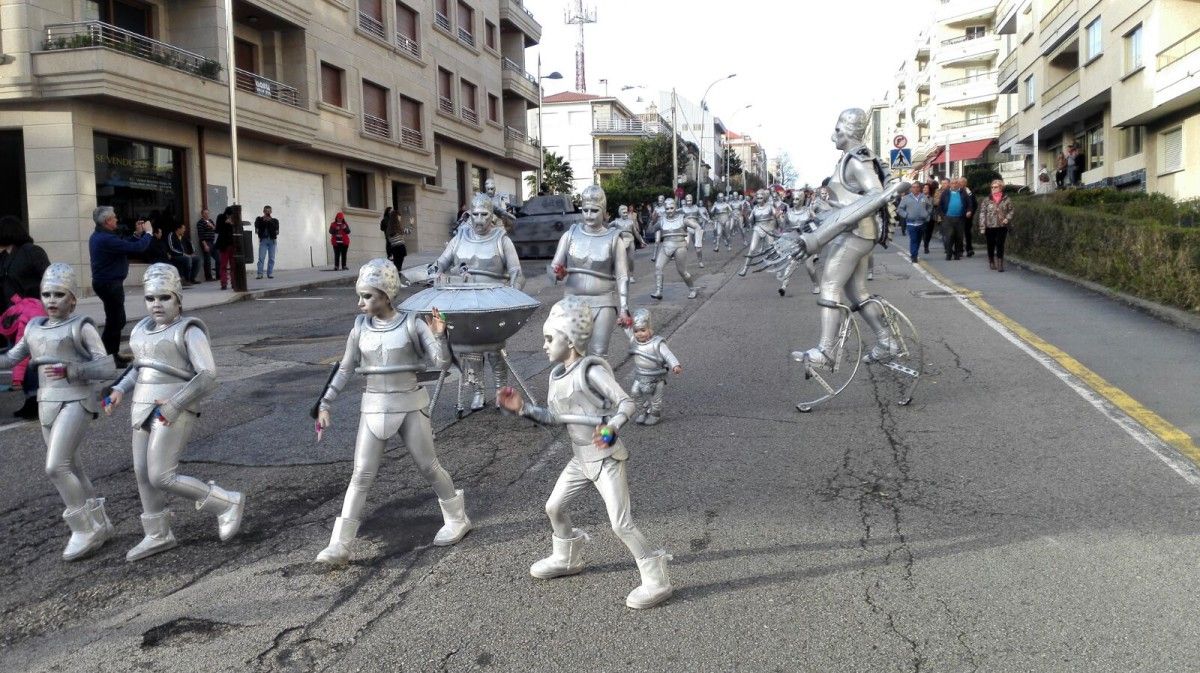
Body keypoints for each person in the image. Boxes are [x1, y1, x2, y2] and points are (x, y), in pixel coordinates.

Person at [496, 296, 673, 610]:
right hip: (580, 459)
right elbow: (555, 418)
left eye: (550, 338)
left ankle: (656, 579)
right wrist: (522, 409)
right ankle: (566, 557)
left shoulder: (591, 372)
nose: (545, 345)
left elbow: (626, 403)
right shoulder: (556, 376)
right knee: (554, 507)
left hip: (605, 459)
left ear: (571, 340)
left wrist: (612, 428)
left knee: (621, 524)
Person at [313, 259, 469, 566]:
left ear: (387, 294)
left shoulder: (413, 323)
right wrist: (325, 402)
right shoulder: (359, 328)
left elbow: (441, 363)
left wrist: (438, 334)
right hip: (373, 406)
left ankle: (457, 517)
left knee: (428, 466)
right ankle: (340, 544)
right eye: (360, 295)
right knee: (360, 475)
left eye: (368, 296)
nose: (361, 302)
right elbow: (344, 368)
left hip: (410, 403)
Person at [106, 264, 245, 562]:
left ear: (178, 298)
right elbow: (139, 368)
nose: (156, 304)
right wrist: (119, 389)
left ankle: (225, 502)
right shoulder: (141, 330)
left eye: (164, 298)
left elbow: (207, 374)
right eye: (150, 298)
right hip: (142, 407)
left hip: (173, 407)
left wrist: (175, 404)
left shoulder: (189, 330)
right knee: (143, 473)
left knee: (161, 475)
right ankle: (157, 534)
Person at [0, 263, 116, 560]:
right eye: (47, 294)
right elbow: (12, 358)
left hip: (76, 400)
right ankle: (100, 523)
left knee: (55, 467)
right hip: (46, 403)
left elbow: (105, 365)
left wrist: (73, 369)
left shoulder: (82, 326)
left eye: (59, 294)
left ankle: (83, 528)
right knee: (72, 467)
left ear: (72, 299)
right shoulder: (34, 328)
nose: (52, 300)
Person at [791, 108, 906, 367]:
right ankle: (886, 341)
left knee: (830, 285)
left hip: (855, 232)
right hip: (859, 232)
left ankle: (826, 351)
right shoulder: (851, 159)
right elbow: (848, 198)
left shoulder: (856, 160)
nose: (834, 136)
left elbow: (876, 195)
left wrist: (828, 227)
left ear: (850, 130)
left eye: (838, 129)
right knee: (857, 293)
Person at [427, 192, 524, 411]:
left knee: (495, 350)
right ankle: (478, 391)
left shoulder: (502, 239)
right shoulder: (459, 238)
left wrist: (514, 294)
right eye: (475, 214)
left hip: (494, 300)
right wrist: (435, 272)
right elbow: (441, 262)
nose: (479, 219)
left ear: (492, 215)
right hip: (464, 300)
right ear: (469, 214)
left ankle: (501, 391)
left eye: (484, 214)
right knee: (471, 350)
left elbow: (516, 270)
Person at [549, 185, 632, 357]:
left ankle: (596, 383)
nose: (588, 215)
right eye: (585, 210)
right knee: (573, 353)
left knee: (598, 353)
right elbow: (553, 268)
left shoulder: (614, 239)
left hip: (603, 302)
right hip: (572, 302)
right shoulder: (570, 235)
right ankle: (577, 384)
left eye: (594, 211)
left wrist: (624, 308)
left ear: (604, 211)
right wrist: (557, 273)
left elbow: (623, 276)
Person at [0, 215, 51, 418]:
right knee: (21, 357)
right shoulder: (5, 257)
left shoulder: (31, 252)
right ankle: (31, 398)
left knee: (31, 359)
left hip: (33, 312)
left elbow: (49, 277)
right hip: (14, 317)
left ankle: (37, 399)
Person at [89, 206, 152, 363]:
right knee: (116, 321)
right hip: (109, 284)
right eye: (114, 217)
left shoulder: (103, 236)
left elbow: (123, 246)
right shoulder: (105, 239)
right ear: (107, 221)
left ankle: (112, 355)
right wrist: (148, 234)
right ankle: (107, 356)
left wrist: (137, 235)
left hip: (107, 283)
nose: (117, 219)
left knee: (115, 320)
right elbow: (136, 248)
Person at [623, 308, 682, 426]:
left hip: (656, 376)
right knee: (635, 392)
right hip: (640, 375)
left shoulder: (657, 343)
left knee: (656, 397)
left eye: (643, 330)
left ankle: (655, 414)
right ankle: (642, 411)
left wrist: (675, 364)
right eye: (636, 331)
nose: (639, 333)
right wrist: (624, 324)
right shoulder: (634, 341)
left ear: (650, 329)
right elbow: (627, 330)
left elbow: (668, 354)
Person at [646, 197, 700, 301]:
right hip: (666, 246)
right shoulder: (661, 221)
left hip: (680, 246)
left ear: (676, 208)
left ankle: (692, 289)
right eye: (667, 209)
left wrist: (697, 242)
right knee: (658, 267)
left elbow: (697, 227)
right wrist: (652, 220)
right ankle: (658, 291)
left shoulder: (682, 218)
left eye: (671, 208)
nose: (669, 211)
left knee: (682, 271)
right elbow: (651, 230)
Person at [977, 179, 1015, 272]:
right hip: (990, 226)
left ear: (1001, 188)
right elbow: (982, 213)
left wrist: (1007, 218)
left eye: (995, 187)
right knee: (991, 244)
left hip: (1002, 225)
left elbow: (1011, 210)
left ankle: (1000, 264)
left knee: (1000, 244)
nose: (993, 188)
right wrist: (982, 226)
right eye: (992, 187)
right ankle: (991, 261)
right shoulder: (986, 200)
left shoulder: (1006, 199)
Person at [937, 177, 974, 260]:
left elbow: (969, 204)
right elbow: (940, 206)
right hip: (948, 218)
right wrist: (943, 216)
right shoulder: (945, 193)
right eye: (952, 183)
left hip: (960, 218)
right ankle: (949, 254)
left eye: (956, 183)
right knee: (949, 236)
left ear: (958, 184)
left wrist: (969, 211)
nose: (954, 185)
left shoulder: (963, 192)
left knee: (959, 237)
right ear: (950, 184)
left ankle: (957, 254)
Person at [896, 181, 932, 263]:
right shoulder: (906, 198)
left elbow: (929, 207)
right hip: (911, 223)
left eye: (917, 187)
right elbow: (900, 209)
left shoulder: (924, 197)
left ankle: (915, 253)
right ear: (911, 189)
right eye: (913, 187)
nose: (915, 189)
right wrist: (906, 215)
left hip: (921, 223)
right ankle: (914, 256)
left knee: (918, 240)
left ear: (920, 188)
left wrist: (927, 215)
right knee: (913, 239)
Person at [381, 207, 411, 276]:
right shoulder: (398, 227)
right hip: (400, 247)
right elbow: (408, 231)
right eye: (399, 216)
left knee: (396, 264)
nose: (400, 218)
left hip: (394, 248)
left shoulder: (389, 228)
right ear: (396, 217)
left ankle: (395, 277)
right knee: (399, 266)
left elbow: (389, 240)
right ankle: (396, 278)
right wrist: (411, 224)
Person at [254, 205, 279, 279]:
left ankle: (270, 273)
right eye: (266, 211)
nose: (267, 213)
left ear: (271, 212)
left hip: (272, 241)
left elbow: (277, 231)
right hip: (263, 240)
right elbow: (257, 230)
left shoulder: (275, 220)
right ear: (263, 211)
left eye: (269, 211)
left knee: (272, 258)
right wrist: (263, 222)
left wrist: (270, 221)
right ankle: (260, 274)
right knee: (261, 258)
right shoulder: (259, 219)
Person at [215, 209, 236, 290]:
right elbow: (217, 230)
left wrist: (232, 224)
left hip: (232, 244)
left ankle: (234, 283)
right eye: (228, 215)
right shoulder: (220, 217)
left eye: (230, 216)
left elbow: (238, 228)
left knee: (233, 265)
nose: (229, 217)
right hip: (224, 245)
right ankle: (224, 283)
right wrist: (225, 223)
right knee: (223, 265)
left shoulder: (234, 219)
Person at [195, 208, 217, 281]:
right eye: (205, 213)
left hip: (212, 242)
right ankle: (208, 277)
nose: (207, 215)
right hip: (205, 242)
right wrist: (205, 245)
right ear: (202, 214)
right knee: (207, 260)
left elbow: (215, 229)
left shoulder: (210, 221)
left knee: (218, 258)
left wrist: (211, 226)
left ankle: (218, 275)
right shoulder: (200, 223)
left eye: (208, 213)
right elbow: (200, 235)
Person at [921, 182, 937, 254]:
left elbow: (934, 206)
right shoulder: (920, 197)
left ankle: (926, 244)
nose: (924, 189)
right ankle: (925, 246)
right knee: (924, 232)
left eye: (926, 188)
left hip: (931, 218)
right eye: (924, 188)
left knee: (929, 233)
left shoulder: (932, 198)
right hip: (922, 218)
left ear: (929, 190)